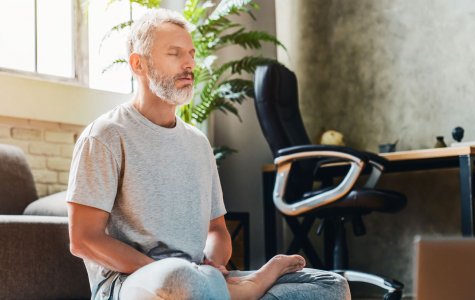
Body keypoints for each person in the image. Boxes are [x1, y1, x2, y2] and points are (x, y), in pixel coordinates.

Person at [66, 8, 351, 300]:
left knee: (329, 286)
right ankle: (244, 289)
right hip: (132, 283)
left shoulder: (198, 143)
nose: (189, 63)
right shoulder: (104, 136)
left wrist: (212, 265)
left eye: (190, 53)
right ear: (139, 64)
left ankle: (232, 290)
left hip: (201, 278)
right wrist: (183, 276)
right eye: (175, 53)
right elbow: (84, 240)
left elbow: (217, 230)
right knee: (183, 280)